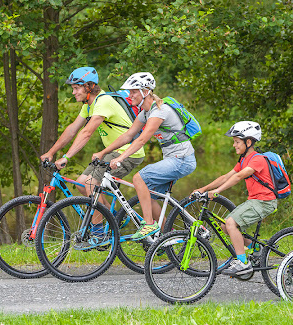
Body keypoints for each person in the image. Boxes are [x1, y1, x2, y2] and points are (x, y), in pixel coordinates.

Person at [91, 72, 196, 240]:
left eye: (133, 91)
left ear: (145, 92)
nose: (129, 95)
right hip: (172, 160)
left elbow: (141, 140)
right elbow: (128, 136)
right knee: (149, 195)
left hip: (182, 160)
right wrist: (104, 153)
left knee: (139, 178)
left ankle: (149, 225)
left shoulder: (160, 111)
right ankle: (165, 238)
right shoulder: (145, 113)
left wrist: (119, 158)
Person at [40, 66, 145, 200]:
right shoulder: (89, 105)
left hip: (129, 151)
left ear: (89, 86)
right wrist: (51, 152)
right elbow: (72, 130)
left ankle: (98, 222)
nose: (73, 92)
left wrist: (66, 157)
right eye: (73, 88)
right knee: (81, 184)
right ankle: (108, 217)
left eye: (76, 88)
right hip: (112, 151)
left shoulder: (103, 101)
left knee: (90, 184)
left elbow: (86, 133)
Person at [193, 121, 277, 276]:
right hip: (255, 201)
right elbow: (226, 176)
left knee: (231, 223)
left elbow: (239, 176)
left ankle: (243, 263)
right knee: (225, 226)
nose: (234, 145)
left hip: (265, 202)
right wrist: (204, 189)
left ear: (249, 142)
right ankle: (256, 248)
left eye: (237, 142)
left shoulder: (258, 159)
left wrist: (217, 192)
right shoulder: (243, 160)